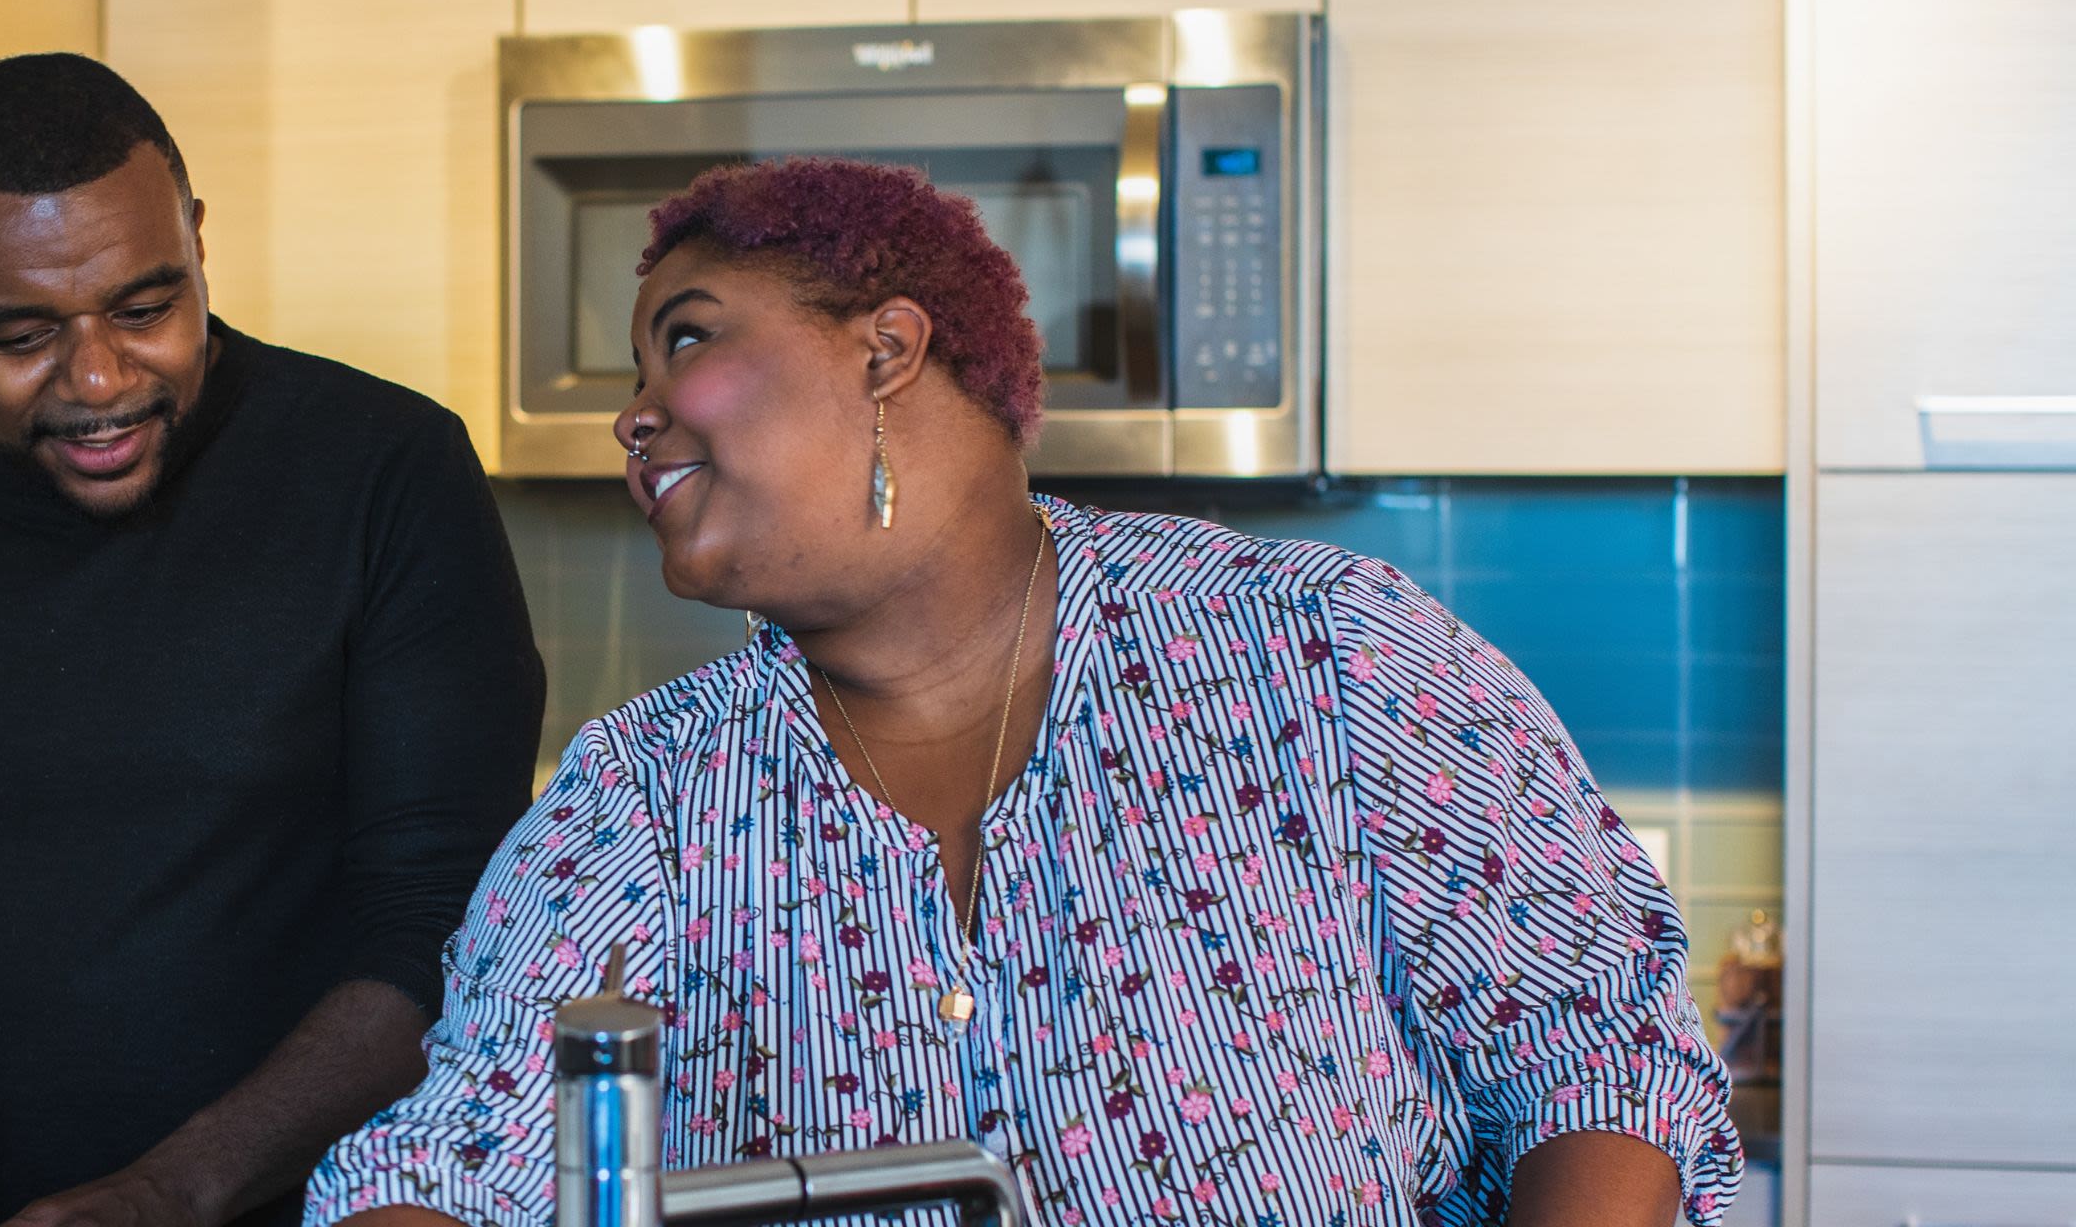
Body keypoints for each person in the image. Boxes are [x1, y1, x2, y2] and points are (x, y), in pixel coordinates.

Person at [306, 158, 1743, 1227]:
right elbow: (452, 1162)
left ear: (887, 348)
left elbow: (1595, 1058)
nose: (632, 412)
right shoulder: (642, 800)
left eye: (686, 337)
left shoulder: (1323, 659)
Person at [0, 53, 546, 1227]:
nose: (100, 378)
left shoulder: (382, 473)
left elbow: (450, 924)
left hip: (331, 1210)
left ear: (198, 240)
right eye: (19, 334)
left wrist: (171, 1190)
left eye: (147, 307)